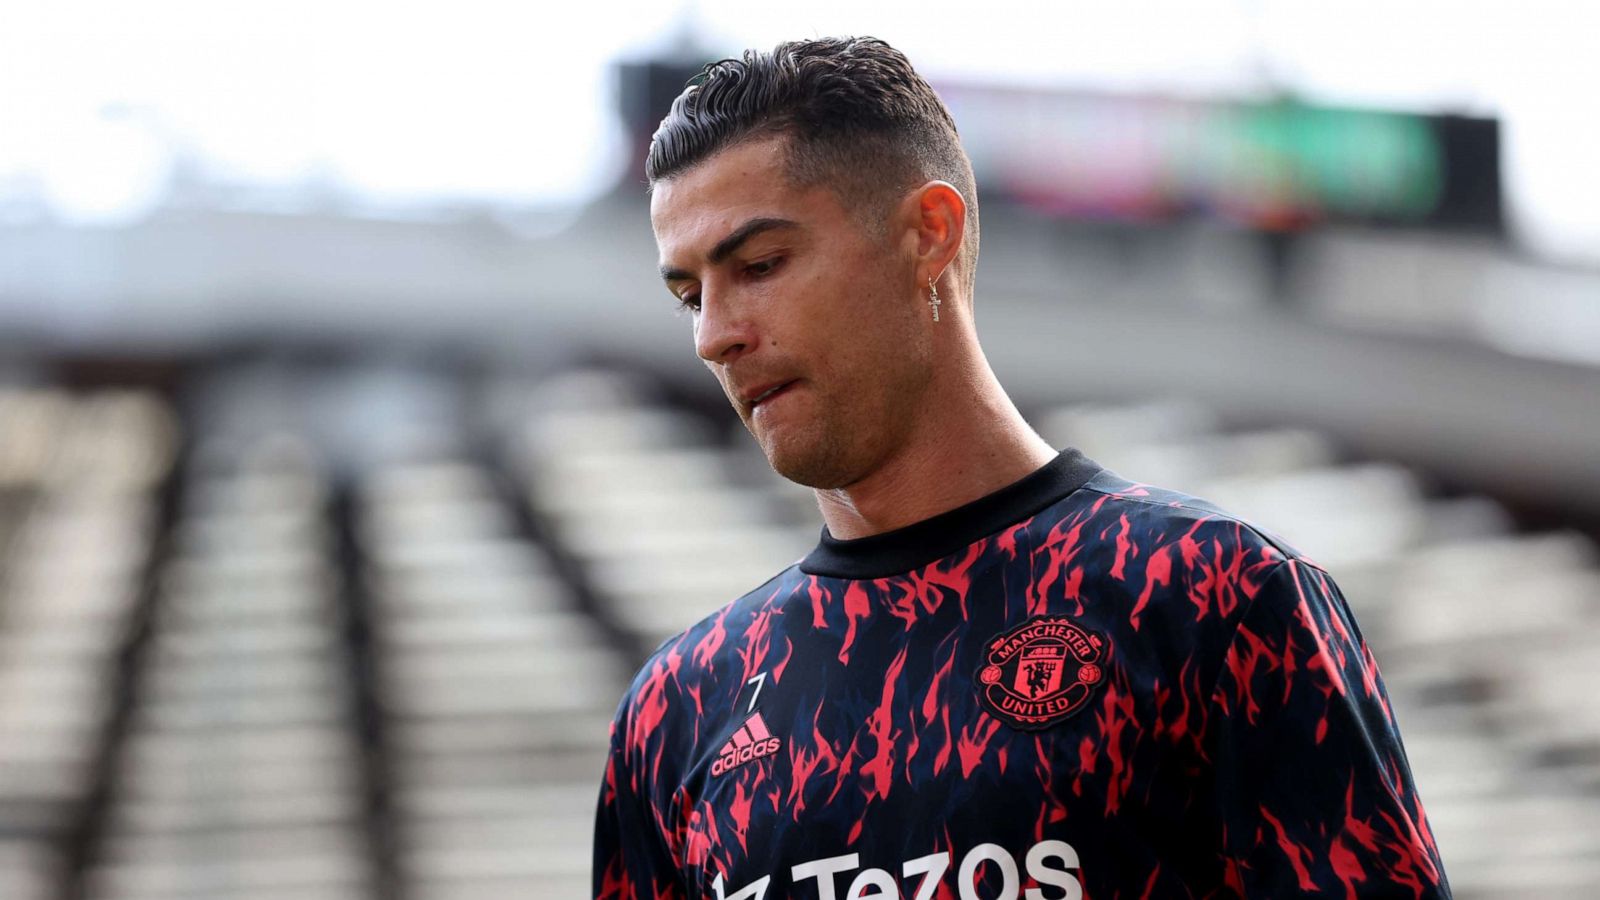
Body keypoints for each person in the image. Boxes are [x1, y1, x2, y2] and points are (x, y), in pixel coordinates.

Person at [594, 36, 1451, 899]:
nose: (714, 334)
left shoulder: (1209, 596)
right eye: (689, 295)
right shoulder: (678, 710)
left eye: (760, 265)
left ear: (928, 235)